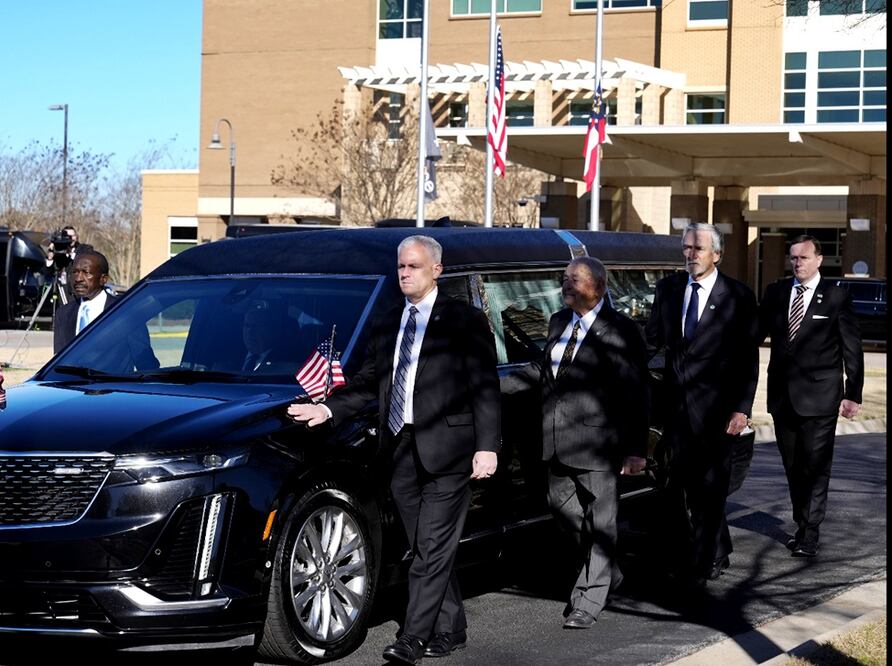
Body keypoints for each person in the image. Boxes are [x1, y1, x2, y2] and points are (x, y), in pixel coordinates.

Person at [288, 235, 500, 664]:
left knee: (431, 549)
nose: (404, 273)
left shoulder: (463, 319)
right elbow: (367, 384)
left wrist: (487, 447)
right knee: (426, 545)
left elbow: (485, 387)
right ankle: (452, 627)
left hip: (450, 451)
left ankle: (413, 639)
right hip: (400, 449)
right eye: (401, 267)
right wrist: (327, 409)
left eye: (413, 267)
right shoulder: (388, 323)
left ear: (436, 270)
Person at [502, 257, 648, 629]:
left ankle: (588, 599)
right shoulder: (557, 323)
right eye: (564, 279)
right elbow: (543, 369)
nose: (566, 285)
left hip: (599, 443)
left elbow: (635, 392)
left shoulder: (621, 331)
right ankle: (609, 572)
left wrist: (635, 449)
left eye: (574, 280)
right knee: (562, 508)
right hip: (557, 442)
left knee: (602, 523)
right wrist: (495, 387)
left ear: (597, 287)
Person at [645, 222, 759, 585]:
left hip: (718, 410)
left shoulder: (738, 297)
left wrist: (742, 408)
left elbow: (747, 359)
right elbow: (653, 342)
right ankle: (717, 547)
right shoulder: (668, 289)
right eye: (686, 248)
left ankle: (706, 557)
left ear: (717, 255)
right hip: (676, 409)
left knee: (711, 485)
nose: (690, 255)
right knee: (684, 486)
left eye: (698, 249)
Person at [758, 235, 863, 558]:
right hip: (782, 397)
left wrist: (852, 394)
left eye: (803, 257)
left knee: (815, 465)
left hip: (820, 397)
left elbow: (852, 349)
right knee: (793, 465)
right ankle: (801, 522)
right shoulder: (776, 293)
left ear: (819, 260)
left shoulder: (836, 297)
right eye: (792, 258)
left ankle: (810, 531)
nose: (797, 263)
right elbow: (754, 333)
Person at [53, 250, 116, 354]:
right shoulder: (63, 314)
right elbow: (58, 359)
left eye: (86, 273)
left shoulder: (121, 311)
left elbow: (143, 358)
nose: (78, 279)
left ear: (103, 279)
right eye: (75, 272)